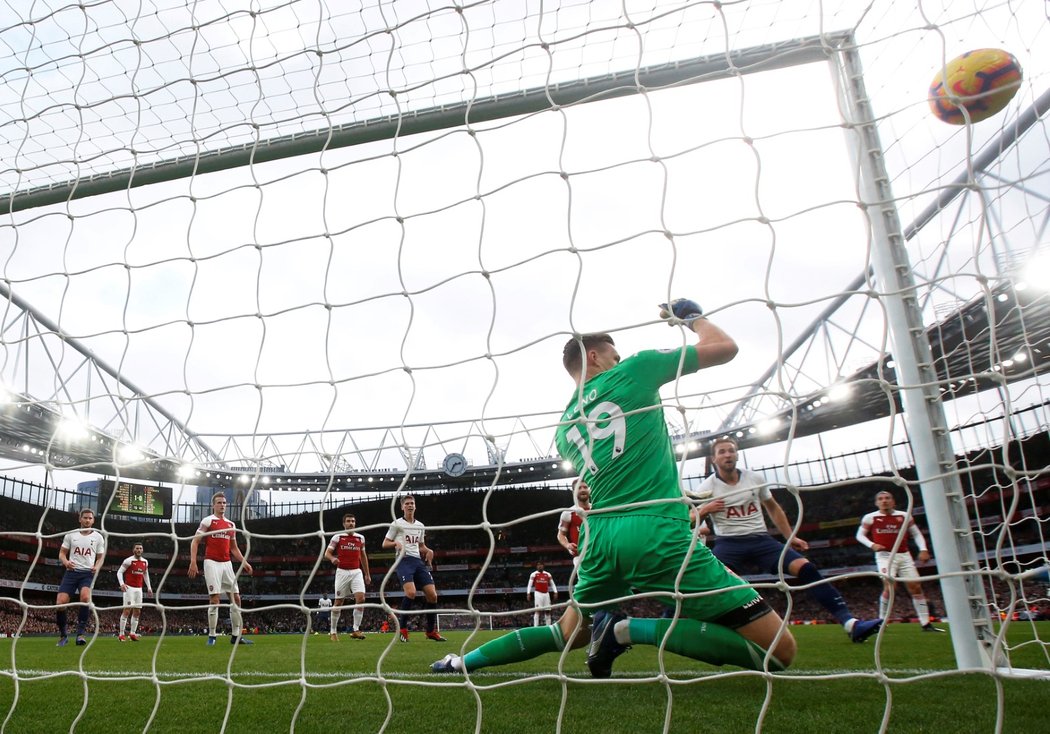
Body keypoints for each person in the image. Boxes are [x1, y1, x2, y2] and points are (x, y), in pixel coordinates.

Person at [433, 299, 797, 677]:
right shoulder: (635, 371)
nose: (620, 361)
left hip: (601, 543)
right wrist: (692, 317)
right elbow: (725, 349)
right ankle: (626, 629)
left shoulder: (563, 429)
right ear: (595, 356)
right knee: (778, 651)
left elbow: (600, 479)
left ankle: (460, 662)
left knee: (565, 633)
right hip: (657, 532)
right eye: (614, 356)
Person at [694, 436, 882, 642]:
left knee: (806, 568)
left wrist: (789, 536)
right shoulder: (706, 487)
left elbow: (772, 507)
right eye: (722, 452)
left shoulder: (754, 478)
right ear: (714, 459)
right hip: (728, 543)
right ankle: (676, 621)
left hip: (761, 541)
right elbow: (691, 519)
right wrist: (705, 509)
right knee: (708, 582)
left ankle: (850, 623)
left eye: (731, 450)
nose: (727, 455)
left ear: (737, 454)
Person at [856, 490, 943, 632]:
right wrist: (872, 545)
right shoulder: (870, 518)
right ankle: (881, 622)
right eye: (881, 498)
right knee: (890, 586)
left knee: (915, 587)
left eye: (887, 498)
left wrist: (923, 549)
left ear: (893, 501)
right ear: (876, 503)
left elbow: (916, 533)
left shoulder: (904, 516)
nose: (884, 500)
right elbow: (859, 535)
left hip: (904, 556)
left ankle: (926, 624)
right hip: (884, 556)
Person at [188, 492, 254, 646]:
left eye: (224, 502)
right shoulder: (208, 521)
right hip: (211, 563)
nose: (222, 505)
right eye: (219, 502)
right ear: (213, 505)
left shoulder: (231, 525)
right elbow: (195, 541)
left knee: (236, 599)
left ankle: (236, 636)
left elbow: (234, 548)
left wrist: (244, 562)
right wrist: (193, 561)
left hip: (227, 564)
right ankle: (212, 636)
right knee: (215, 599)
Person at [383, 495, 446, 642]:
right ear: (402, 507)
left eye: (412, 503)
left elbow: (421, 546)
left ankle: (430, 631)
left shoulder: (420, 525)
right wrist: (395, 544)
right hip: (403, 561)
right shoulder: (396, 524)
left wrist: (429, 551)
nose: (410, 505)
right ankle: (403, 629)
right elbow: (385, 543)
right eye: (407, 504)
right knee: (411, 593)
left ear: (415, 506)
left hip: (417, 562)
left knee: (433, 596)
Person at [55, 508, 106, 647]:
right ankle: (63, 636)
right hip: (71, 573)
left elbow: (101, 557)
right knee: (60, 603)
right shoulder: (71, 535)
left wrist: (97, 566)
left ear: (93, 520)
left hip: (87, 573)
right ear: (80, 519)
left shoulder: (98, 537)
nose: (87, 520)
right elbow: (62, 554)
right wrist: (66, 562)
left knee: (85, 598)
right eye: (85, 518)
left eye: (90, 518)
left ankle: (80, 634)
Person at [325, 512, 371, 640]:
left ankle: (356, 629)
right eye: (349, 521)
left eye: (353, 521)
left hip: (356, 572)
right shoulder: (337, 537)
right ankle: (333, 632)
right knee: (339, 602)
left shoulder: (360, 538)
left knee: (361, 599)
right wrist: (333, 559)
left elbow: (363, 556)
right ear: (344, 524)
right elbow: (327, 553)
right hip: (342, 572)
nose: (351, 523)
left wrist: (367, 573)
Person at [116, 541, 152, 641]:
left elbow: (145, 574)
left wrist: (149, 587)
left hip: (139, 589)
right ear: (133, 550)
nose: (139, 550)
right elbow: (119, 572)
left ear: (142, 550)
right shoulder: (128, 561)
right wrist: (121, 584)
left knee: (137, 612)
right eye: (137, 548)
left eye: (140, 548)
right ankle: (121, 634)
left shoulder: (145, 562)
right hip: (129, 588)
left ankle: (132, 634)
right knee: (127, 611)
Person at [557, 482, 591, 568]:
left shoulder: (598, 509)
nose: (583, 489)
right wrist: (567, 545)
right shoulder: (568, 513)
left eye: (585, 487)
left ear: (589, 490)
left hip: (602, 555)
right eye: (579, 488)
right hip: (581, 557)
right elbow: (561, 534)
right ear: (573, 492)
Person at [526, 562, 558, 626]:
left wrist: (555, 592)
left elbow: (553, 584)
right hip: (538, 593)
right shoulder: (533, 574)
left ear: (543, 566)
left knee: (548, 611)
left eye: (541, 565)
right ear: (536, 566)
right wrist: (528, 593)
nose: (539, 566)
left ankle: (548, 627)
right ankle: (536, 627)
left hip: (546, 594)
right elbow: (529, 585)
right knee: (537, 611)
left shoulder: (548, 574)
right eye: (538, 565)